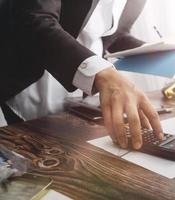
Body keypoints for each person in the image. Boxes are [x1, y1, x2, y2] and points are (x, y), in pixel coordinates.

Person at [0, 0, 163, 149]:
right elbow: (34, 18)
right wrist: (102, 74)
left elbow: (113, 35)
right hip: (29, 87)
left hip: (81, 96)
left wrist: (154, 51)